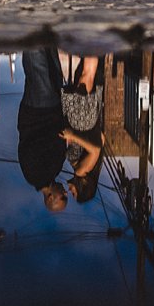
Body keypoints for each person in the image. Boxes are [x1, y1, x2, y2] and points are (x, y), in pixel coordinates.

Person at [17, 48, 69, 212]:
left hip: (38, 111)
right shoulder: (52, 172)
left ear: (50, 198)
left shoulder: (34, 175)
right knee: (50, 58)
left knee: (37, 62)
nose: (65, 192)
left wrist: (58, 136)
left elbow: (29, 146)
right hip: (51, 109)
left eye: (63, 197)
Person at [59, 55, 105, 203]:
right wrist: (72, 135)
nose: (70, 191)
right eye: (74, 193)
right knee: (87, 75)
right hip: (81, 121)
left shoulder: (83, 169)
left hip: (85, 121)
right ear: (82, 188)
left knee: (84, 75)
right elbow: (95, 149)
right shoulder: (81, 171)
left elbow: (101, 139)